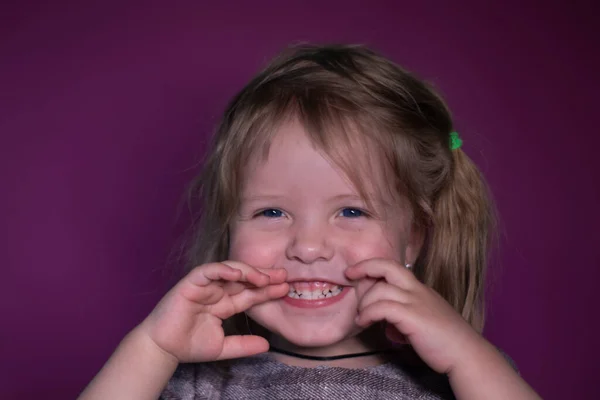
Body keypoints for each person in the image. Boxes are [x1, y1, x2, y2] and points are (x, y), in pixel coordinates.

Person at [78, 44, 540, 399]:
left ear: (414, 239)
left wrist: (466, 356)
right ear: (229, 230)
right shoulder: (199, 383)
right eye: (272, 212)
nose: (309, 246)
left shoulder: (467, 378)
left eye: (352, 211)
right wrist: (151, 350)